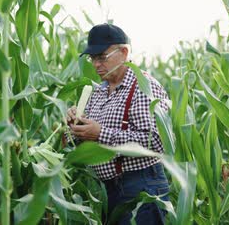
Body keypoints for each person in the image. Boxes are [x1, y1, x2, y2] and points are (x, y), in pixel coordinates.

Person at [66, 23, 171, 224]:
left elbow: (156, 142)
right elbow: (84, 141)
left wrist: (100, 134)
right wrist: (74, 127)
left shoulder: (143, 87)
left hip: (141, 188)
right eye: (93, 58)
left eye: (102, 57)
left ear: (124, 52)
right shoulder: (97, 92)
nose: (96, 64)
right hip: (107, 191)